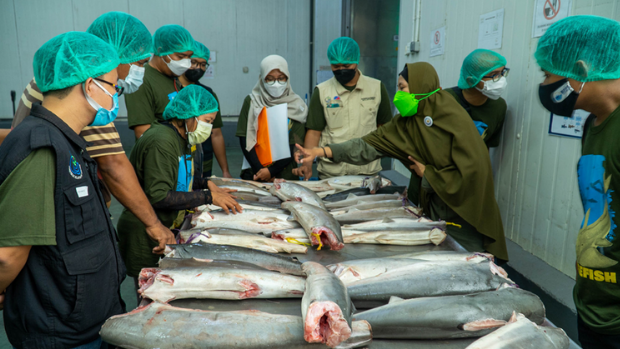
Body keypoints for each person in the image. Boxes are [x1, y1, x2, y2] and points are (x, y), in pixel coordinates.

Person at [295, 62, 508, 261]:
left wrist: (429, 174)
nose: (398, 94)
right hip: (430, 205)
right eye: (398, 88)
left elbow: (475, 172)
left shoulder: (454, 119)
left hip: (463, 211)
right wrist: (321, 151)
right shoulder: (405, 123)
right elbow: (365, 146)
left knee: (468, 262)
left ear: (421, 87)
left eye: (403, 88)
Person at [10, 11, 175, 252]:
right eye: (139, 64)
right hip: (61, 221)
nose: (140, 72)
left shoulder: (54, 75)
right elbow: (113, 166)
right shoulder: (85, 96)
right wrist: (154, 224)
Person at [0, 32, 126, 348]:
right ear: (90, 85)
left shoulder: (66, 142)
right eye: (114, 86)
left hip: (86, 322)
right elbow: (7, 257)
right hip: (61, 334)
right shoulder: (40, 146)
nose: (115, 94)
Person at [535, 15, 620, 348]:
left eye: (547, 73)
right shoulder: (594, 124)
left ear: (581, 71)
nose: (544, 84)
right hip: (593, 302)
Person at [117, 84, 241, 283]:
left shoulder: (182, 138)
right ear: (189, 115)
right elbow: (159, 195)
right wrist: (208, 197)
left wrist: (205, 184)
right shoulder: (162, 141)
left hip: (166, 227)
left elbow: (177, 176)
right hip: (145, 231)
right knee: (148, 289)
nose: (209, 127)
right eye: (207, 121)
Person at [295, 37, 393, 180]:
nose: (341, 70)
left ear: (356, 61)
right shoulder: (322, 91)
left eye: (346, 66)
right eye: (336, 66)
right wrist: (307, 164)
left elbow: (384, 129)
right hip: (332, 173)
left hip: (367, 172)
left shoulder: (376, 88)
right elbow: (314, 132)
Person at [236, 55, 308, 182]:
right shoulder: (252, 101)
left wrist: (271, 171)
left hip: (286, 176)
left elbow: (296, 144)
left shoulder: (297, 105)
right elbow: (245, 138)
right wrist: (260, 171)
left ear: (287, 77)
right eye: (270, 79)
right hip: (254, 174)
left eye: (281, 78)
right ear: (262, 79)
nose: (276, 84)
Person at [126, 24, 194, 139]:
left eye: (189, 57)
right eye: (180, 56)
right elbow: (143, 131)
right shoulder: (142, 80)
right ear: (161, 51)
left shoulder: (174, 77)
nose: (186, 62)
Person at [175, 40, 232, 178]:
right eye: (194, 62)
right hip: (176, 159)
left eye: (202, 64)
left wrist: (225, 170)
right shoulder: (172, 90)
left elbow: (216, 133)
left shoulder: (207, 95)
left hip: (202, 160)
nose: (198, 68)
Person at [448, 49, 508, 147]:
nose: (501, 79)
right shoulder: (445, 100)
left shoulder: (498, 106)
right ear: (471, 80)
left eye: (502, 73)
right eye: (494, 75)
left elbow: (484, 148)